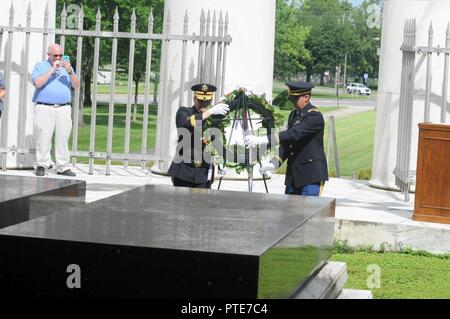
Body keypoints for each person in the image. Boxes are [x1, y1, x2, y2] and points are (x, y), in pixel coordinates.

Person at [244, 81, 328, 196]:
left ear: (306, 97)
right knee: (288, 212)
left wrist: (264, 139)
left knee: (308, 211)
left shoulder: (314, 116)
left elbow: (294, 134)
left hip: (310, 175)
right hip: (293, 176)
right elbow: (288, 143)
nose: (290, 99)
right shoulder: (293, 115)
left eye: (295, 97)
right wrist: (274, 163)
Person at [167, 83, 230, 189]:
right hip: (184, 171)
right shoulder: (184, 111)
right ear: (194, 98)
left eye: (207, 101)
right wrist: (210, 112)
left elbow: (216, 142)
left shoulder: (213, 119)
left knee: (202, 204)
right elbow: (184, 123)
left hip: (203, 173)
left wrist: (221, 161)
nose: (204, 104)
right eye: (200, 100)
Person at [31, 43, 80, 177]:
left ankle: (62, 166)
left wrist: (70, 71)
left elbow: (76, 85)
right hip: (44, 107)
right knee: (43, 137)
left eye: (60, 55)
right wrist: (52, 70)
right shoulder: (40, 66)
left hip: (63, 108)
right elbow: (38, 83)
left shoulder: (67, 68)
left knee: (62, 137)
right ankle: (42, 164)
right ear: (49, 55)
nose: (58, 58)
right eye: (55, 55)